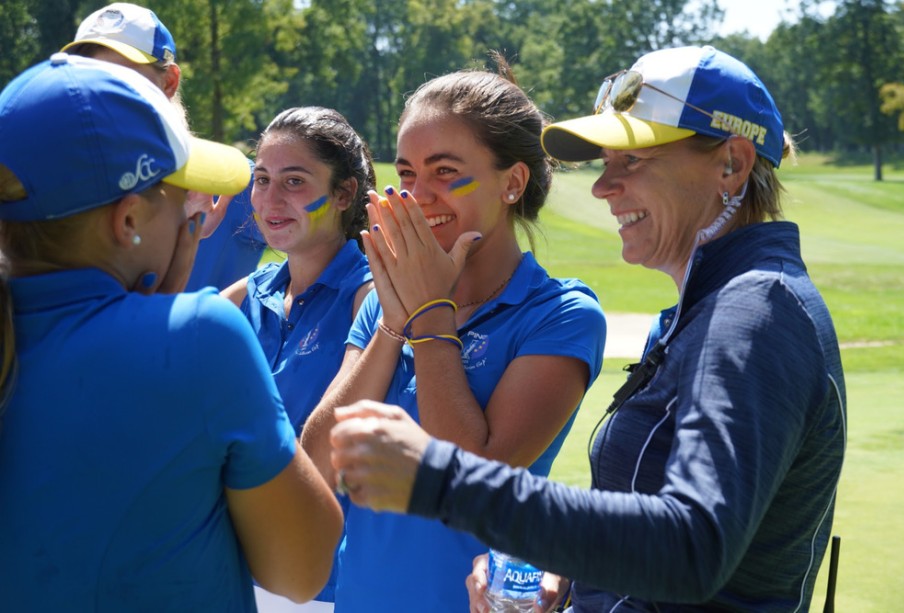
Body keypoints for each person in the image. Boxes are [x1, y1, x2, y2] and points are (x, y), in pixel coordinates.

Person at [326, 45, 847, 612]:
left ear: (732, 165)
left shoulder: (754, 311)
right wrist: (569, 570)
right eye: (606, 162)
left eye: (635, 159)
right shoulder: (707, 310)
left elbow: (695, 547)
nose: (604, 187)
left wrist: (439, 477)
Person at [0, 54, 343, 610]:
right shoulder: (200, 337)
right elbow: (301, 571)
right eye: (178, 192)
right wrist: (167, 304)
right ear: (128, 220)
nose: (197, 213)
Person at [301, 58, 607, 613]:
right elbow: (318, 460)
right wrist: (396, 323)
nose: (419, 196)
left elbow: (479, 474)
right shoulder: (384, 307)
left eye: (445, 172)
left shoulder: (560, 313)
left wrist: (430, 318)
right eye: (408, 173)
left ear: (512, 182)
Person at [221, 106, 376, 609]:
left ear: (344, 193)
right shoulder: (248, 294)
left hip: (327, 585)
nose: (269, 199)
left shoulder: (371, 297)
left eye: (294, 181)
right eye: (262, 179)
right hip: (238, 569)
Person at [62, 2, 267, 291]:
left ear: (169, 82)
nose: (101, 94)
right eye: (87, 78)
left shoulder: (233, 185)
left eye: (122, 80)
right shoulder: (59, 184)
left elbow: (326, 257)